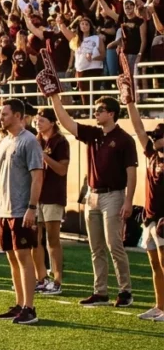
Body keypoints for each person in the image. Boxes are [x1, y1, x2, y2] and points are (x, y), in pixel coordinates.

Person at [47, 93, 137, 307]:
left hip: (114, 195)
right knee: (95, 247)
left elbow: (131, 173)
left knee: (114, 244)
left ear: (111, 113)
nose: (95, 113)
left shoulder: (124, 139)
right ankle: (101, 292)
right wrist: (54, 97)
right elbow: (66, 122)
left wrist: (129, 201)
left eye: (99, 110)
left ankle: (125, 291)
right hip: (93, 194)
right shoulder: (93, 134)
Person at [0, 99, 45, 325]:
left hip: (21, 209)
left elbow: (37, 177)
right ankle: (20, 303)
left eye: (5, 114)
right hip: (5, 208)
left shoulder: (29, 141)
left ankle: (30, 307)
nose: (1, 117)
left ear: (19, 116)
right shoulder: (4, 142)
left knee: (23, 257)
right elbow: (0, 176)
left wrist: (32, 208)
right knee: (11, 257)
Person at [125, 97, 164, 322]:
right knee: (154, 264)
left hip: (162, 218)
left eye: (158, 137)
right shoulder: (151, 153)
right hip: (149, 217)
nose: (154, 139)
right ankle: (159, 304)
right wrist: (130, 102)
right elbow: (138, 127)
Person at [32, 109, 69, 296]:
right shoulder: (35, 140)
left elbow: (62, 170)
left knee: (52, 238)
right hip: (35, 195)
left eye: (42, 120)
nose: (38, 123)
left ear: (52, 122)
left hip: (53, 195)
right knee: (34, 239)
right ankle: (41, 278)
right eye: (36, 120)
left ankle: (57, 280)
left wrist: (44, 156)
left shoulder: (60, 142)